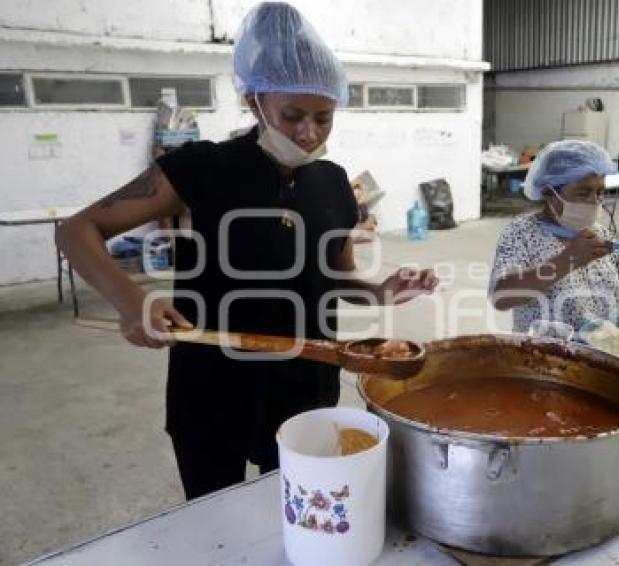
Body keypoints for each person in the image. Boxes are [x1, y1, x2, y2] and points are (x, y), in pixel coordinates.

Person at [56, 2, 437, 500]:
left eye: (324, 118)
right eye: (293, 115)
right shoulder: (200, 169)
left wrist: (380, 292)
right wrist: (132, 300)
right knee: (217, 521)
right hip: (212, 388)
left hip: (307, 383)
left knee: (301, 512)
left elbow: (335, 281)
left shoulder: (334, 182)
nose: (309, 133)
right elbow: (76, 230)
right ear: (254, 100)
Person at [488, 140, 619, 333]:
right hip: (545, 355)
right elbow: (501, 297)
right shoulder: (522, 233)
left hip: (604, 349)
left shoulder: (598, 233)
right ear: (549, 193)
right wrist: (568, 259)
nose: (595, 201)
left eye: (600, 192)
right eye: (583, 193)